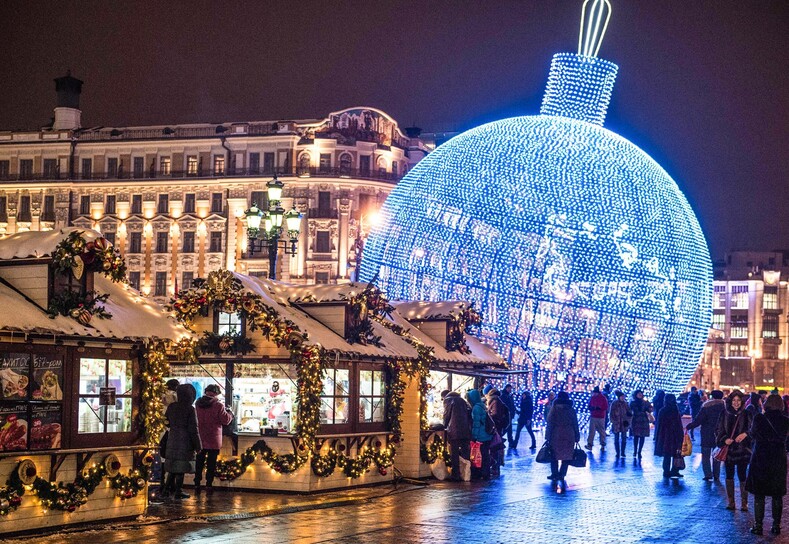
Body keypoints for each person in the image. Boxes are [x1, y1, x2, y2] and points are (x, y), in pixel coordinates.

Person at [746, 394, 789, 535]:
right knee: (777, 494)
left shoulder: (759, 418)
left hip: (761, 459)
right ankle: (776, 526)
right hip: (778, 459)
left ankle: (758, 526)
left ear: (767, 404)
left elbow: (752, 434)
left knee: (759, 494)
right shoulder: (786, 421)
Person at [716, 389, 753, 512]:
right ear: (730, 401)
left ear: (742, 402)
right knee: (729, 475)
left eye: (738, 400)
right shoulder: (724, 413)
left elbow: (753, 430)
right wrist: (724, 439)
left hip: (743, 451)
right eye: (734, 400)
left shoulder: (747, 414)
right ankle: (731, 502)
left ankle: (744, 502)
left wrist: (745, 434)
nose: (736, 403)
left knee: (742, 476)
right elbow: (718, 430)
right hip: (729, 451)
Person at [163, 383, 201, 500]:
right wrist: (198, 445)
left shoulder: (172, 407)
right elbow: (193, 429)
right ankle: (178, 491)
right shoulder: (190, 409)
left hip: (172, 438)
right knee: (181, 468)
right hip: (185, 441)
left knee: (173, 467)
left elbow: (166, 421)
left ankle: (165, 490)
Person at [194, 384, 233, 493]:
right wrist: (230, 413)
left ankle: (197, 484)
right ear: (216, 393)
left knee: (199, 462)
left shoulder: (198, 403)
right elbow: (226, 420)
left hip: (200, 437)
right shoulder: (218, 405)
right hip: (213, 438)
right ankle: (208, 485)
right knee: (211, 463)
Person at [685, 390, 726, 481]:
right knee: (717, 455)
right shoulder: (725, 407)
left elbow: (699, 420)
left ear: (712, 396)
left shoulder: (707, 406)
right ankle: (716, 475)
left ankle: (708, 474)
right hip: (720, 435)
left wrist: (689, 426)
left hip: (707, 433)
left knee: (706, 456)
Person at [545, 391, 580, 490]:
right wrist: (577, 436)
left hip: (556, 433)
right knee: (567, 455)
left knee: (554, 455)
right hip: (569, 434)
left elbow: (550, 422)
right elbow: (575, 423)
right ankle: (562, 474)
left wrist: (547, 436)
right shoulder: (571, 409)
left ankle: (554, 473)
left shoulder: (554, 409)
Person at [442, 389, 472, 481]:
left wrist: (444, 425)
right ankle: (466, 474)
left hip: (454, 431)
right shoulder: (463, 401)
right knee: (465, 453)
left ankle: (456, 475)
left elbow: (447, 415)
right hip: (465, 431)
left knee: (454, 454)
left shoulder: (448, 400)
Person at [655, 393, 684, 478]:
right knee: (676, 453)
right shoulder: (675, 410)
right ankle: (674, 470)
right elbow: (678, 424)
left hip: (665, 435)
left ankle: (666, 471)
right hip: (675, 434)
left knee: (667, 454)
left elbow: (659, 424)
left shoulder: (663, 410)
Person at [467, 389, 492, 480]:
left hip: (481, 436)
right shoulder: (482, 405)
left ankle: (481, 473)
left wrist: (474, 436)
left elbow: (476, 424)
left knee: (480, 456)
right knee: (485, 455)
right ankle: (486, 473)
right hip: (487, 434)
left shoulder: (476, 408)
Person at [486, 388, 509, 476]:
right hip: (497, 428)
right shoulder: (497, 401)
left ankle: (495, 467)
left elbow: (495, 415)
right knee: (496, 448)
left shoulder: (495, 402)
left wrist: (488, 416)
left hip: (496, 429)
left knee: (495, 448)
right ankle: (496, 466)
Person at [629, 390, 652, 459]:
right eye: (638, 394)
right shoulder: (633, 403)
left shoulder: (645, 403)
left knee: (642, 436)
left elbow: (650, 409)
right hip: (636, 420)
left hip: (643, 420)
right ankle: (635, 450)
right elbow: (630, 410)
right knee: (636, 436)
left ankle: (639, 451)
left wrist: (649, 407)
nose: (640, 395)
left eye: (641, 394)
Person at [609, 390, 632, 459]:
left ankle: (622, 452)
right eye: (622, 396)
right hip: (617, 423)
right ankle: (617, 452)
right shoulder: (615, 403)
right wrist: (613, 421)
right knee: (616, 438)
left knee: (624, 438)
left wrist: (628, 421)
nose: (623, 398)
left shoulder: (625, 404)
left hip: (624, 423)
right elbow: (611, 413)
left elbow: (629, 413)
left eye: (623, 397)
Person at [586, 386, 608, 451]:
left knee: (601, 431)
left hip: (600, 416)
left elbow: (605, 407)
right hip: (594, 416)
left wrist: (598, 408)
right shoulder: (593, 398)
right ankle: (590, 444)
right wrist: (591, 408)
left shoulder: (603, 398)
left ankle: (602, 444)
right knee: (592, 431)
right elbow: (589, 405)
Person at [500, 384, 517, 449]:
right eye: (509, 388)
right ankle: (504, 440)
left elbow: (512, 405)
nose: (510, 390)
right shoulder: (504, 396)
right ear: (507, 388)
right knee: (507, 428)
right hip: (507, 415)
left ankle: (510, 442)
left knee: (508, 428)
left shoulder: (508, 396)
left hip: (509, 415)